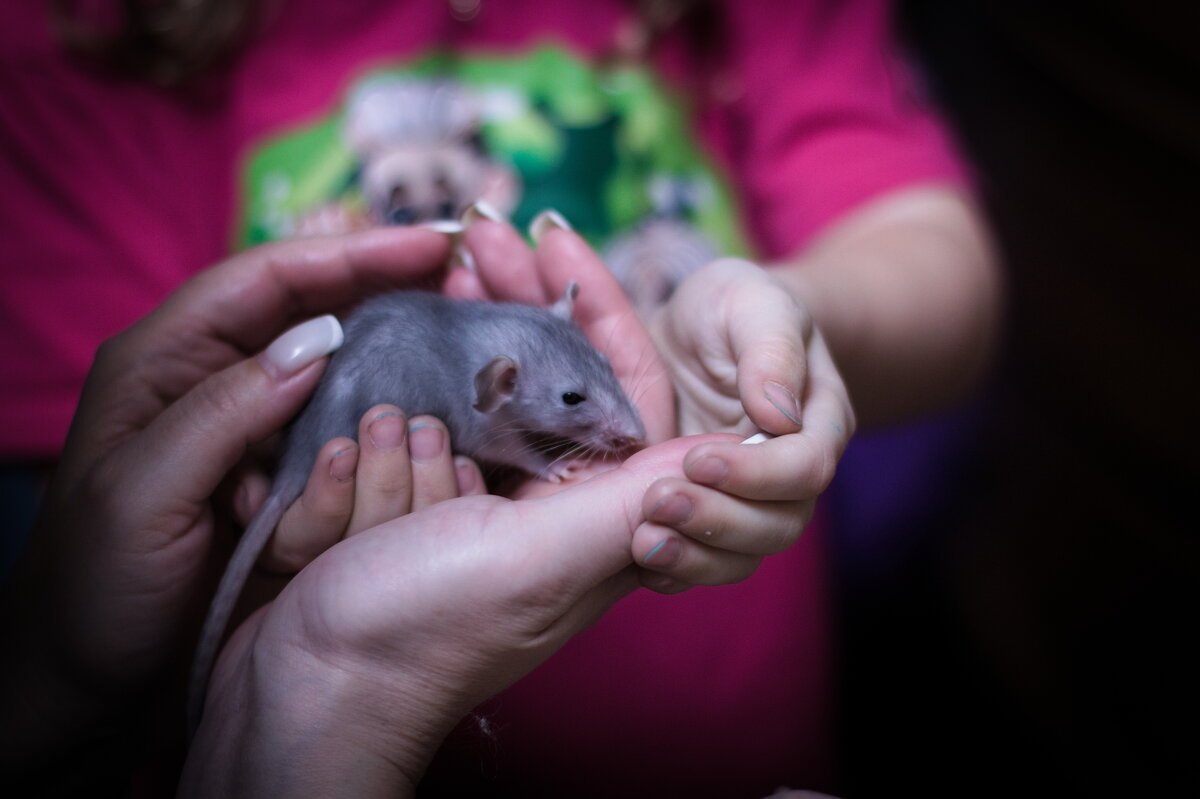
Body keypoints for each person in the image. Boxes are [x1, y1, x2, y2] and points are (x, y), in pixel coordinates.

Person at [0, 0, 1000, 794]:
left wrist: (780, 322)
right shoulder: (86, 36)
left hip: (739, 738)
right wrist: (314, 668)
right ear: (502, 386)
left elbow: (930, 254)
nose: (621, 429)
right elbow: (122, 509)